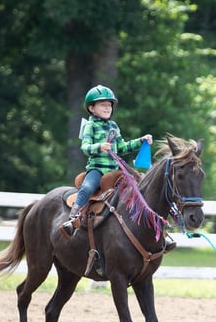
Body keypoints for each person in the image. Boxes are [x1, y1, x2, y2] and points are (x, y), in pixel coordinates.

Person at [60, 84, 152, 238]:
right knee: (87, 188)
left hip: (115, 171)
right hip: (97, 169)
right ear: (91, 108)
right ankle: (73, 218)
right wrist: (99, 146)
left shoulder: (113, 126)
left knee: (139, 189)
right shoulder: (90, 126)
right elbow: (85, 147)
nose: (107, 108)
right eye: (103, 105)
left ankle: (146, 226)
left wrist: (140, 141)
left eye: (109, 105)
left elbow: (122, 147)